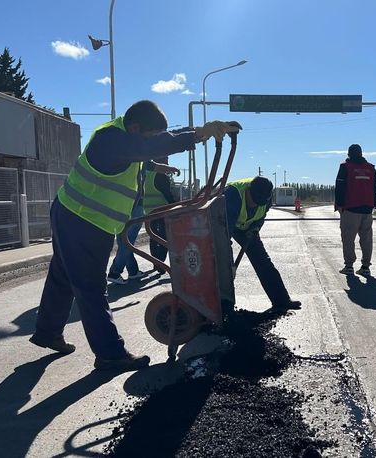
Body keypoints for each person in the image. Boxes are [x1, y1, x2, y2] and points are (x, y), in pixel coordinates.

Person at [29, 99, 240, 371]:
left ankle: (47, 332)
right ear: (136, 127)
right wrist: (198, 135)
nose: (153, 141)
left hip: (75, 215)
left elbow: (152, 145)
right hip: (82, 219)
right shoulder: (110, 138)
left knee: (62, 275)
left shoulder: (124, 136)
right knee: (91, 287)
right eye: (150, 135)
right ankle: (110, 354)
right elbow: (149, 146)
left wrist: (195, 134)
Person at [223, 176, 301, 311]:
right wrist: (228, 261)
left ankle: (282, 300)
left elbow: (261, 217)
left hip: (248, 227)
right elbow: (225, 233)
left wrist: (255, 228)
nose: (255, 205)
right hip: (226, 225)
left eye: (259, 202)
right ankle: (225, 308)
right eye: (253, 201)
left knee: (263, 261)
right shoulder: (232, 195)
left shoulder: (266, 198)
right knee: (224, 267)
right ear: (248, 191)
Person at [334, 144, 376, 276]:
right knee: (366, 239)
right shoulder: (371, 168)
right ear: (361, 153)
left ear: (349, 154)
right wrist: (373, 204)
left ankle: (349, 266)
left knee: (348, 238)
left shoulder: (345, 167)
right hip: (367, 209)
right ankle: (365, 267)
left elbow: (339, 187)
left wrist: (340, 205)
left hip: (350, 208)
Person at [143, 157, 178, 272]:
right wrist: (177, 206)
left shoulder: (147, 174)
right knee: (163, 237)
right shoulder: (161, 176)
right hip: (161, 211)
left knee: (153, 237)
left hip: (148, 212)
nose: (167, 162)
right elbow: (168, 196)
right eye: (166, 159)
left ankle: (156, 263)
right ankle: (160, 265)